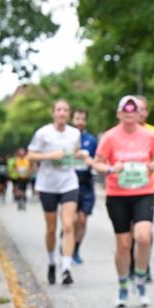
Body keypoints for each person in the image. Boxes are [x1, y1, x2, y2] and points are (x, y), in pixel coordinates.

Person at [93, 95, 154, 307]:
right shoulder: (110, 137)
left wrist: (153, 165)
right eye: (125, 111)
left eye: (134, 111)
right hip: (118, 195)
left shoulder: (149, 136)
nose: (130, 115)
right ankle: (123, 284)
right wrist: (112, 168)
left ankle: (139, 278)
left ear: (138, 114)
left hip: (143, 191)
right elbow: (98, 163)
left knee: (144, 236)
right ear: (119, 114)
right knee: (123, 244)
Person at [27, 99, 82, 286]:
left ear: (69, 113)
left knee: (68, 225)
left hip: (68, 182)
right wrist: (50, 156)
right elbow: (31, 155)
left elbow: (74, 154)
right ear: (53, 113)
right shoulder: (43, 133)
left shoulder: (75, 133)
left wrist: (80, 155)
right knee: (51, 228)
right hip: (48, 184)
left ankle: (66, 267)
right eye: (58, 110)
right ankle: (51, 262)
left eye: (65, 110)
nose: (62, 113)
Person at [132, 95, 154, 282]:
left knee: (145, 229)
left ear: (147, 112)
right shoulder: (122, 133)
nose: (139, 113)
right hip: (126, 186)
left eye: (142, 109)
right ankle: (131, 264)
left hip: (148, 185)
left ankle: (144, 265)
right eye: (135, 109)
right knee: (129, 230)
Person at [70, 108, 98, 265]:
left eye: (82, 119)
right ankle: (67, 237)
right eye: (77, 119)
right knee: (72, 219)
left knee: (82, 220)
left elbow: (98, 161)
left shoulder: (91, 140)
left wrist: (89, 160)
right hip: (69, 184)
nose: (79, 122)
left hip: (86, 184)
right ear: (72, 120)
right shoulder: (66, 138)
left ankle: (75, 249)